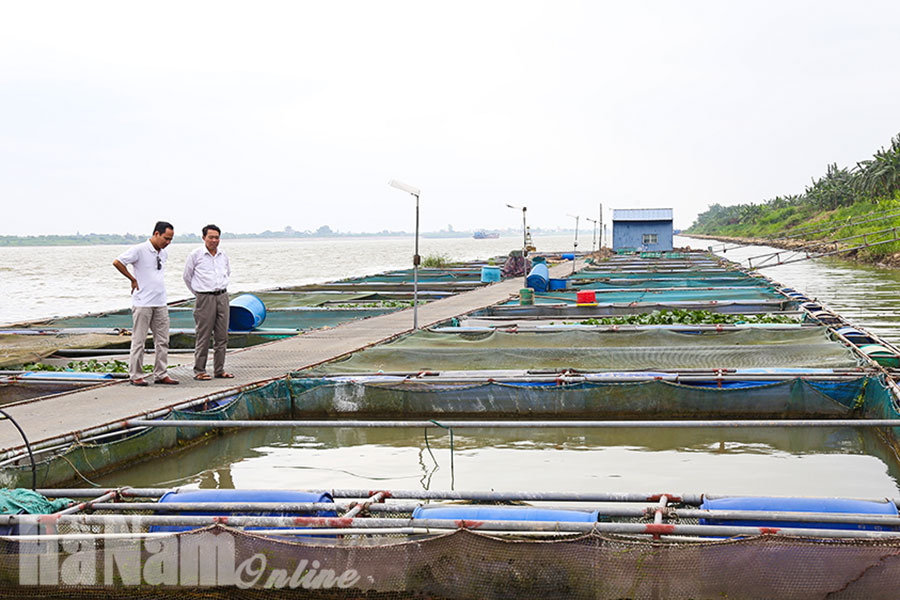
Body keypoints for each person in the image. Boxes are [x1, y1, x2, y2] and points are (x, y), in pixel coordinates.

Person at [113, 221, 180, 386]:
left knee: (163, 340)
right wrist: (132, 279)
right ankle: (136, 375)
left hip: (160, 301)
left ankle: (161, 373)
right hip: (143, 302)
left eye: (170, 240)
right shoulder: (140, 250)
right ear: (156, 234)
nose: (168, 242)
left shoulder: (163, 253)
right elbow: (118, 262)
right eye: (166, 238)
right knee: (139, 340)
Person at [182, 224, 233, 380]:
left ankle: (219, 369)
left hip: (222, 296)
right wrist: (199, 293)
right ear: (204, 238)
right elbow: (187, 277)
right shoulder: (196, 255)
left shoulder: (223, 255)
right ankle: (200, 370)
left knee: (222, 335)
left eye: (217, 237)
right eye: (211, 237)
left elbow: (227, 273)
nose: (214, 240)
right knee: (203, 335)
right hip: (204, 297)